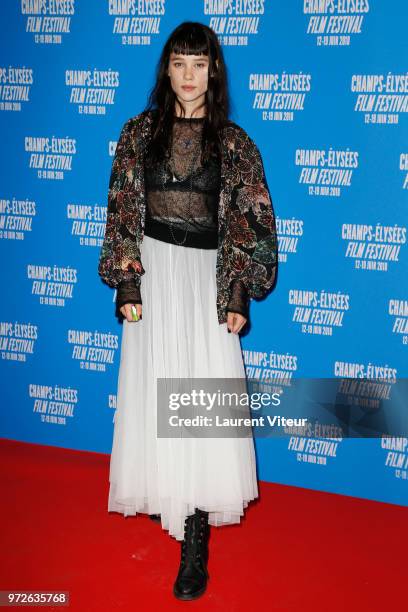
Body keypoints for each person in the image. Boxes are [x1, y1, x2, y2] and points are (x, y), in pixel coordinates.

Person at [98, 21, 278, 601]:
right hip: (154, 273)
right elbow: (122, 211)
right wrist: (128, 284)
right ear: (166, 69)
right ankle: (170, 500)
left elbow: (253, 222)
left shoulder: (236, 144)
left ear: (214, 71)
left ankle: (195, 544)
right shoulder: (137, 134)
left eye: (199, 64)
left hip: (205, 280)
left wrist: (237, 293)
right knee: (156, 397)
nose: (188, 75)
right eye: (178, 63)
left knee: (198, 405)